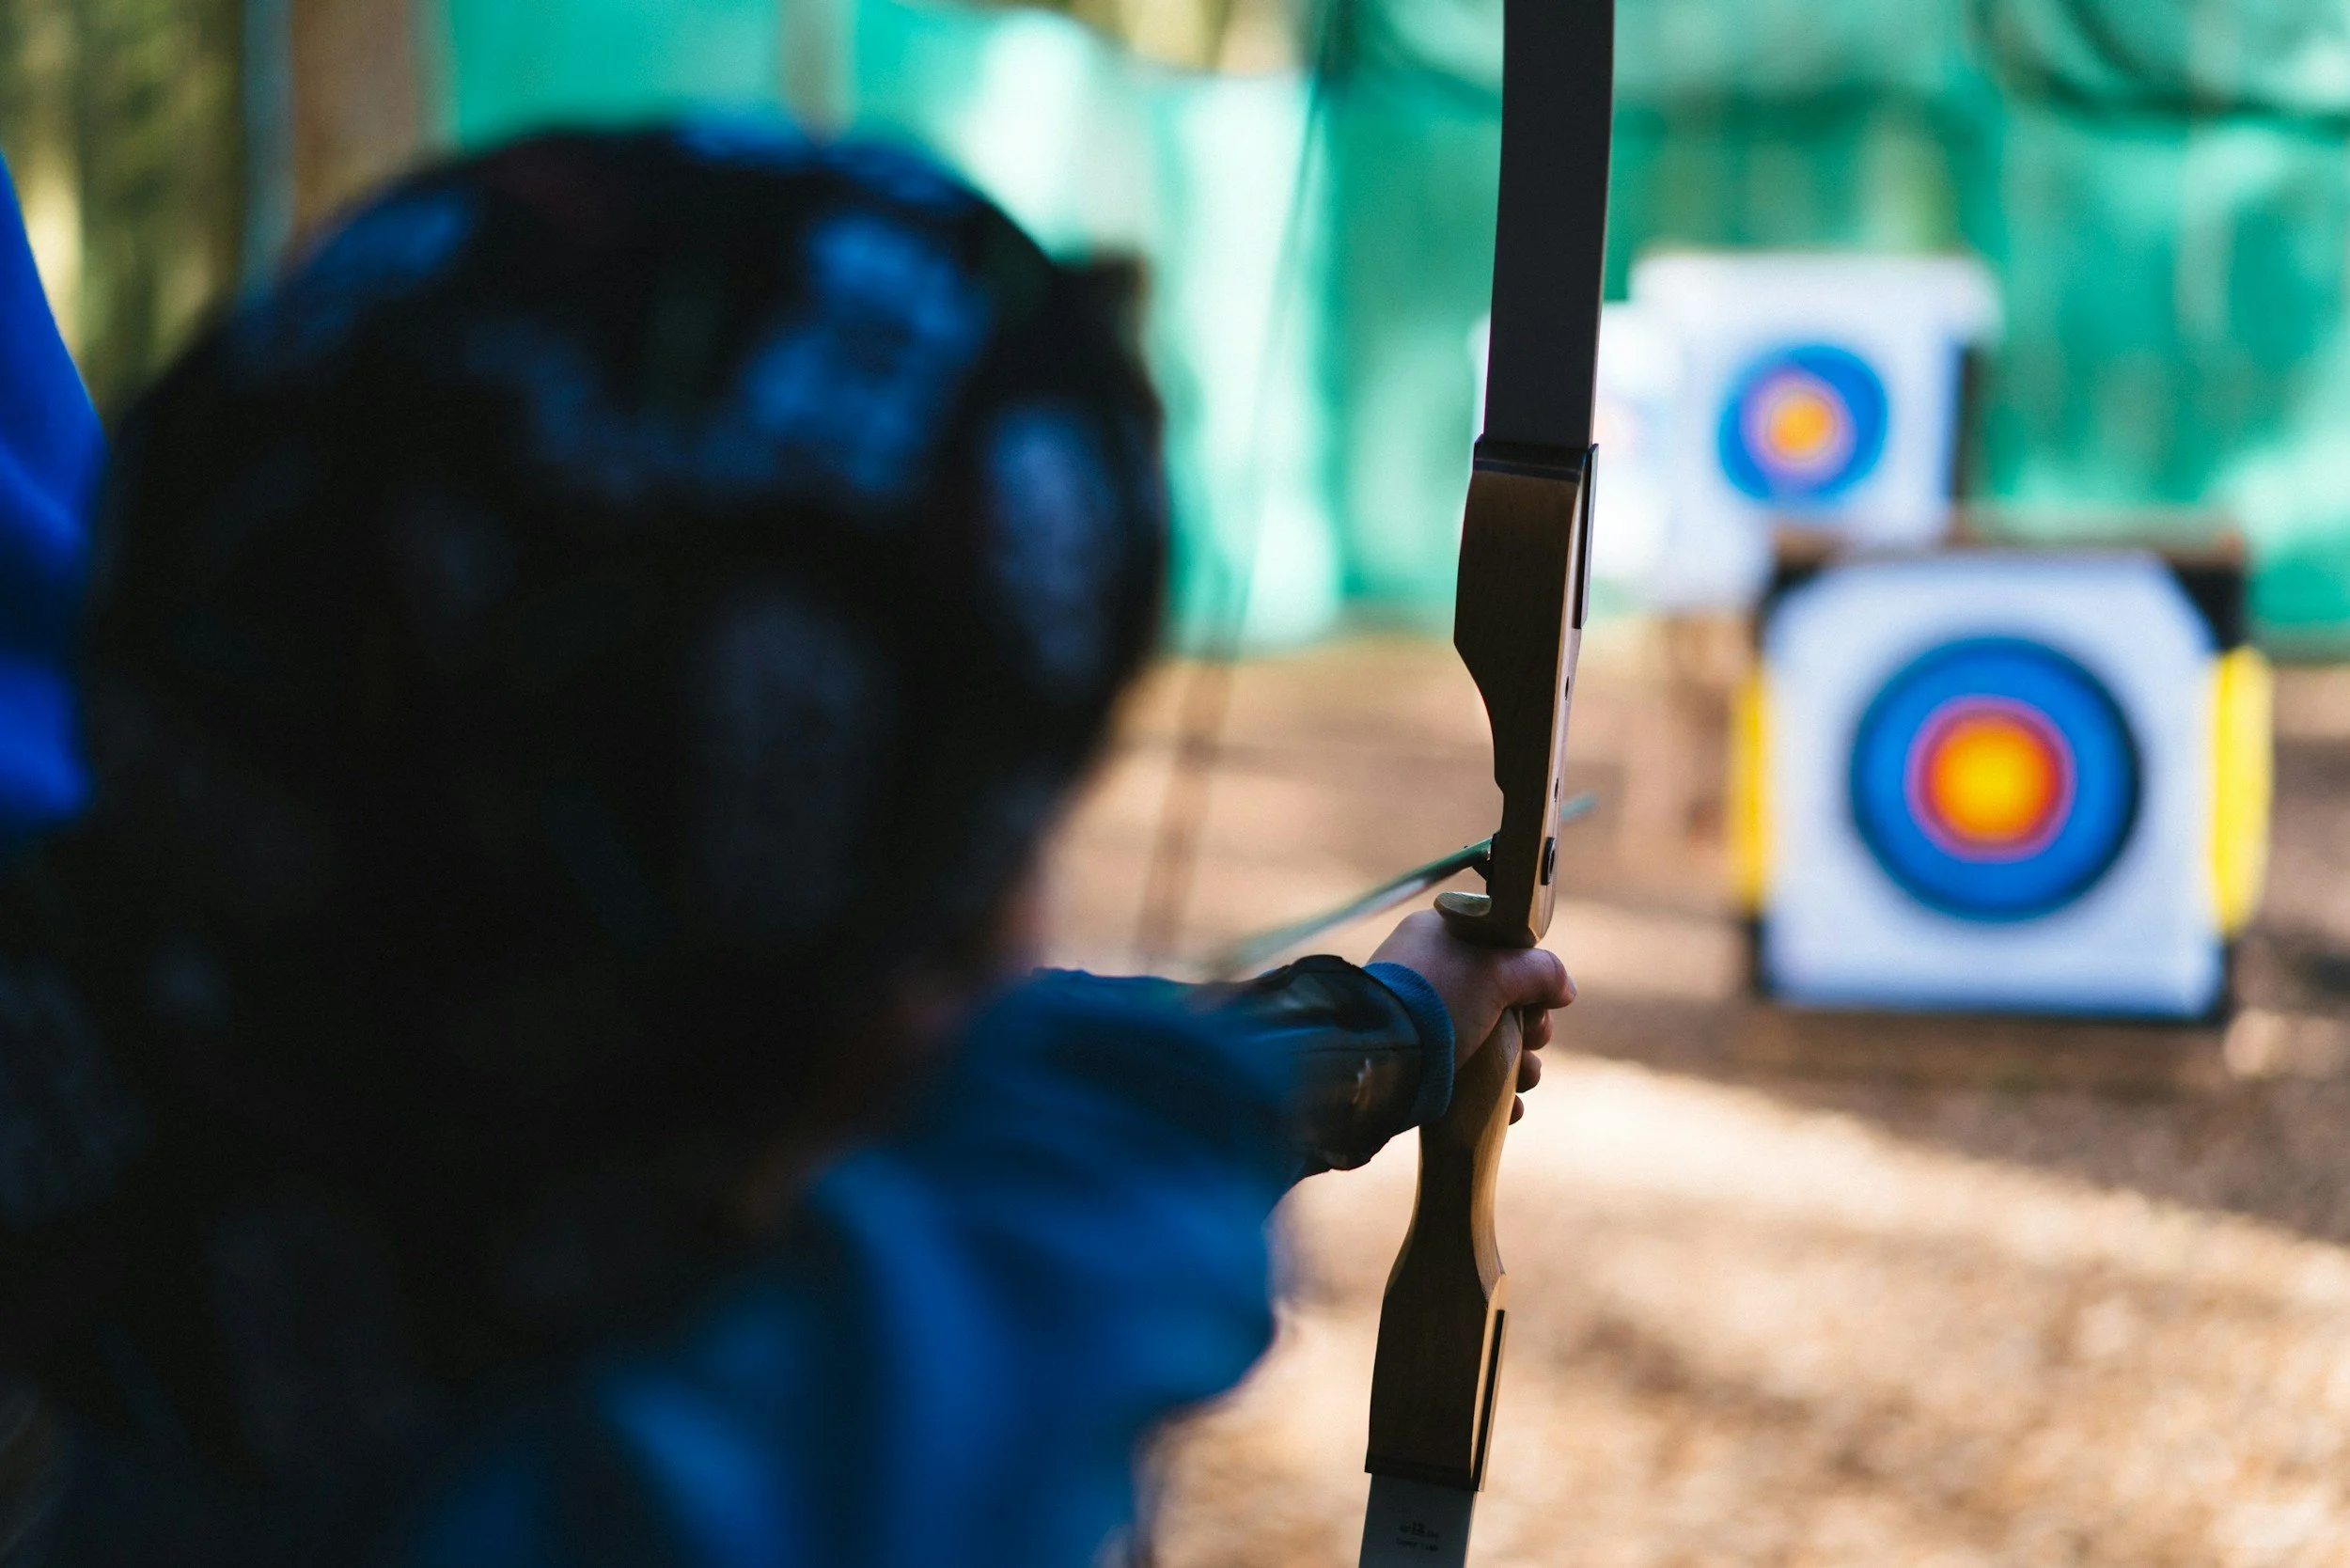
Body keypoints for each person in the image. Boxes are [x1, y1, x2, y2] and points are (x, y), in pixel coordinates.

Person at [0, 124, 1572, 1567]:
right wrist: (1384, 1038)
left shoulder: (136, 1207)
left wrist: (1396, 1016)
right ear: (898, 992)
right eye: (1006, 834)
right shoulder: (825, 1438)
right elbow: (1099, 1158)